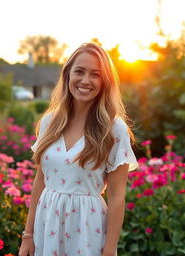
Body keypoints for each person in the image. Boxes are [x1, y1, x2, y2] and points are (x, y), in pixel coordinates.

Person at [18, 42, 138, 256]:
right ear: (67, 75)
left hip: (86, 229)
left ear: (105, 82)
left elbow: (117, 195)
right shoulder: (49, 122)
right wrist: (28, 235)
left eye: (95, 74)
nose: (85, 80)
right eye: (79, 71)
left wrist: (110, 249)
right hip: (47, 226)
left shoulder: (113, 129)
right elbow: (41, 179)